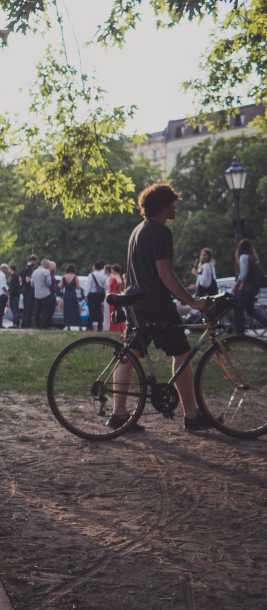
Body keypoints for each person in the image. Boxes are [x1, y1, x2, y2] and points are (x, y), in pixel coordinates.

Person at [112, 183, 212, 432]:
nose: (175, 208)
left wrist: (180, 295)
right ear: (164, 206)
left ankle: (118, 414)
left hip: (136, 303)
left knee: (129, 355)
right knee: (182, 354)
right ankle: (192, 416)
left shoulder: (137, 231)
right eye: (173, 204)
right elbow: (164, 273)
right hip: (157, 305)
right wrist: (193, 302)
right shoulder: (161, 232)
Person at [232, 239, 267, 335]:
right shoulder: (252, 257)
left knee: (238, 308)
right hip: (254, 288)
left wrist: (236, 285)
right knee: (250, 310)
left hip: (246, 288)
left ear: (239, 248)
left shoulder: (243, 257)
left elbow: (243, 274)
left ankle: (239, 333)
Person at [60, 264, 83, 330]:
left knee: (67, 311)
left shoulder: (64, 277)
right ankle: (79, 326)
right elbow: (78, 287)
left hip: (66, 295)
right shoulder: (75, 277)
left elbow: (60, 286)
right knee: (76, 310)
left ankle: (68, 326)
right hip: (73, 295)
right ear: (74, 269)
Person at [86, 260, 107, 331]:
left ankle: (89, 326)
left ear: (94, 267)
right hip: (99, 295)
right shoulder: (103, 275)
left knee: (91, 310)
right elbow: (104, 286)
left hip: (92, 294)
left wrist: (86, 295)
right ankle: (99, 326)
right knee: (99, 310)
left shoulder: (91, 275)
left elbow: (88, 285)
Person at [31, 259, 52, 329]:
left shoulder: (34, 272)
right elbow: (49, 283)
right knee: (45, 310)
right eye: (49, 265)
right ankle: (43, 325)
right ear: (45, 264)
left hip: (37, 294)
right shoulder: (46, 272)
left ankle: (37, 325)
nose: (49, 266)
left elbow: (32, 284)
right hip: (45, 294)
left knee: (37, 311)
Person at [20, 255, 39, 329]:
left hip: (24, 289)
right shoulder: (29, 269)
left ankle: (23, 324)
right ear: (32, 261)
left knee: (25, 308)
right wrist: (34, 279)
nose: (35, 264)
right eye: (36, 262)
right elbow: (28, 280)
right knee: (29, 308)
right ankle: (27, 324)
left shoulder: (23, 268)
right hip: (29, 290)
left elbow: (21, 279)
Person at [108, 264, 126, 333]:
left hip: (114, 297)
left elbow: (119, 282)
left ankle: (116, 329)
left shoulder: (116, 276)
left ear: (113, 270)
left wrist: (116, 287)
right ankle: (115, 329)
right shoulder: (116, 276)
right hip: (113, 296)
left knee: (115, 312)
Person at [0, 264, 10, 329]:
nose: (7, 270)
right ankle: (0, 324)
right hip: (2, 294)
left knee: (0, 310)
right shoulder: (2, 275)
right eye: (6, 268)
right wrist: (7, 293)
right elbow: (3, 286)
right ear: (3, 268)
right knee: (1, 310)